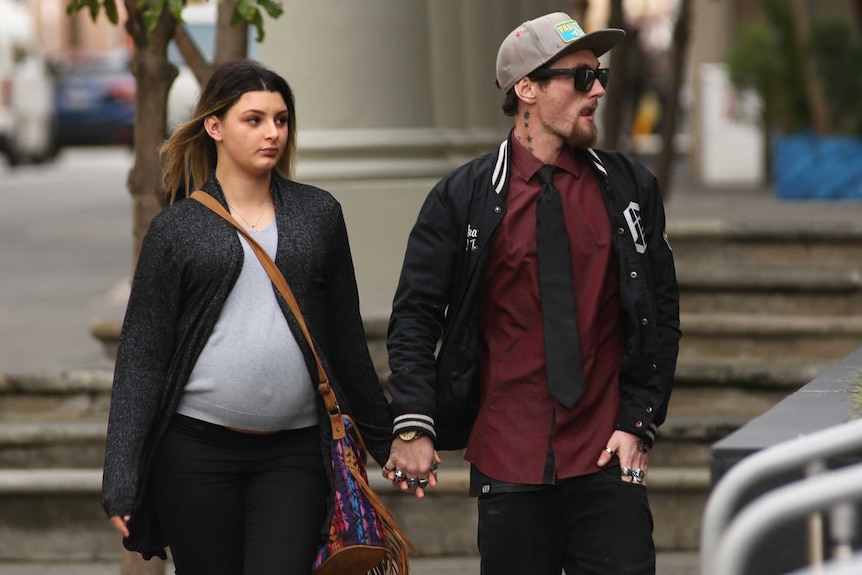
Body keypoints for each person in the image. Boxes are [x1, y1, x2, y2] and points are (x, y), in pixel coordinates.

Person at [383, 12, 680, 575]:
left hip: (607, 457)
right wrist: (415, 423)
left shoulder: (629, 188)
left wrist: (639, 420)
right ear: (527, 89)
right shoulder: (462, 197)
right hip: (509, 456)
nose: (596, 91)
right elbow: (416, 318)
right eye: (579, 77)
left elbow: (660, 312)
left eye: (600, 77)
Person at [100, 59, 392, 575]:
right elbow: (142, 357)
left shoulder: (318, 213)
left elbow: (346, 340)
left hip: (295, 454)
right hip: (194, 454)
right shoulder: (177, 229)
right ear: (215, 126)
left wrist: (390, 440)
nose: (272, 133)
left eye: (281, 120)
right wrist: (121, 475)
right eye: (253, 119)